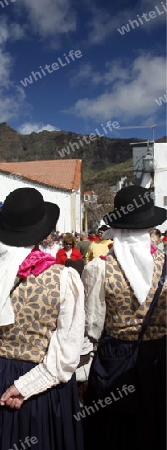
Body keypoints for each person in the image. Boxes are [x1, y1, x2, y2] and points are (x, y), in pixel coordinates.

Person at [0, 187, 85, 450]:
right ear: (41, 233)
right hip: (44, 383)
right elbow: (67, 354)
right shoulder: (64, 278)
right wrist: (26, 386)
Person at [81, 185, 167, 450]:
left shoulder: (99, 268)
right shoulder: (165, 264)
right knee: (155, 423)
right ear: (149, 229)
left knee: (113, 430)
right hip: (159, 356)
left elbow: (93, 325)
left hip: (114, 356)